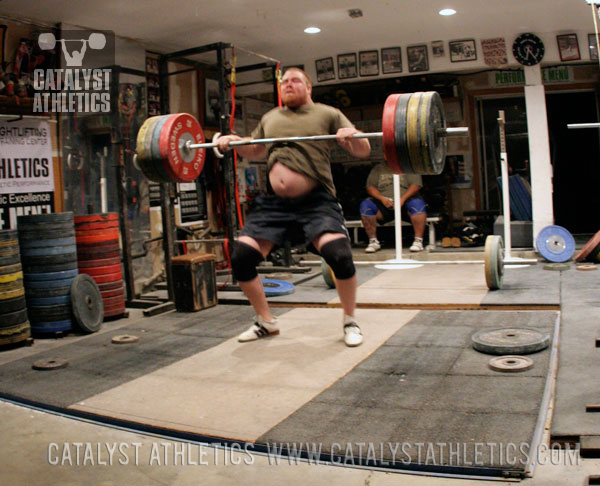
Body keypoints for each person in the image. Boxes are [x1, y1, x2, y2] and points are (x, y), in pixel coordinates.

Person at [216, 67, 371, 347]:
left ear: (308, 88)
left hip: (316, 201)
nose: (288, 85)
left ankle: (350, 320)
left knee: (339, 256)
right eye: (284, 81)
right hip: (274, 204)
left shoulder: (327, 113)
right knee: (241, 257)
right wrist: (234, 142)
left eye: (295, 80)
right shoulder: (270, 117)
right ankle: (266, 321)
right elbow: (255, 149)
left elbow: (364, 150)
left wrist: (353, 134)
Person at [359, 162, 427, 253]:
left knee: (417, 204)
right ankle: (373, 242)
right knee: (366, 205)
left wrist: (402, 199)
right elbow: (370, 187)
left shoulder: (408, 166)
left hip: (405, 203)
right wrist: (382, 199)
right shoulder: (378, 168)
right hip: (384, 203)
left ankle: (418, 241)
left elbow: (416, 185)